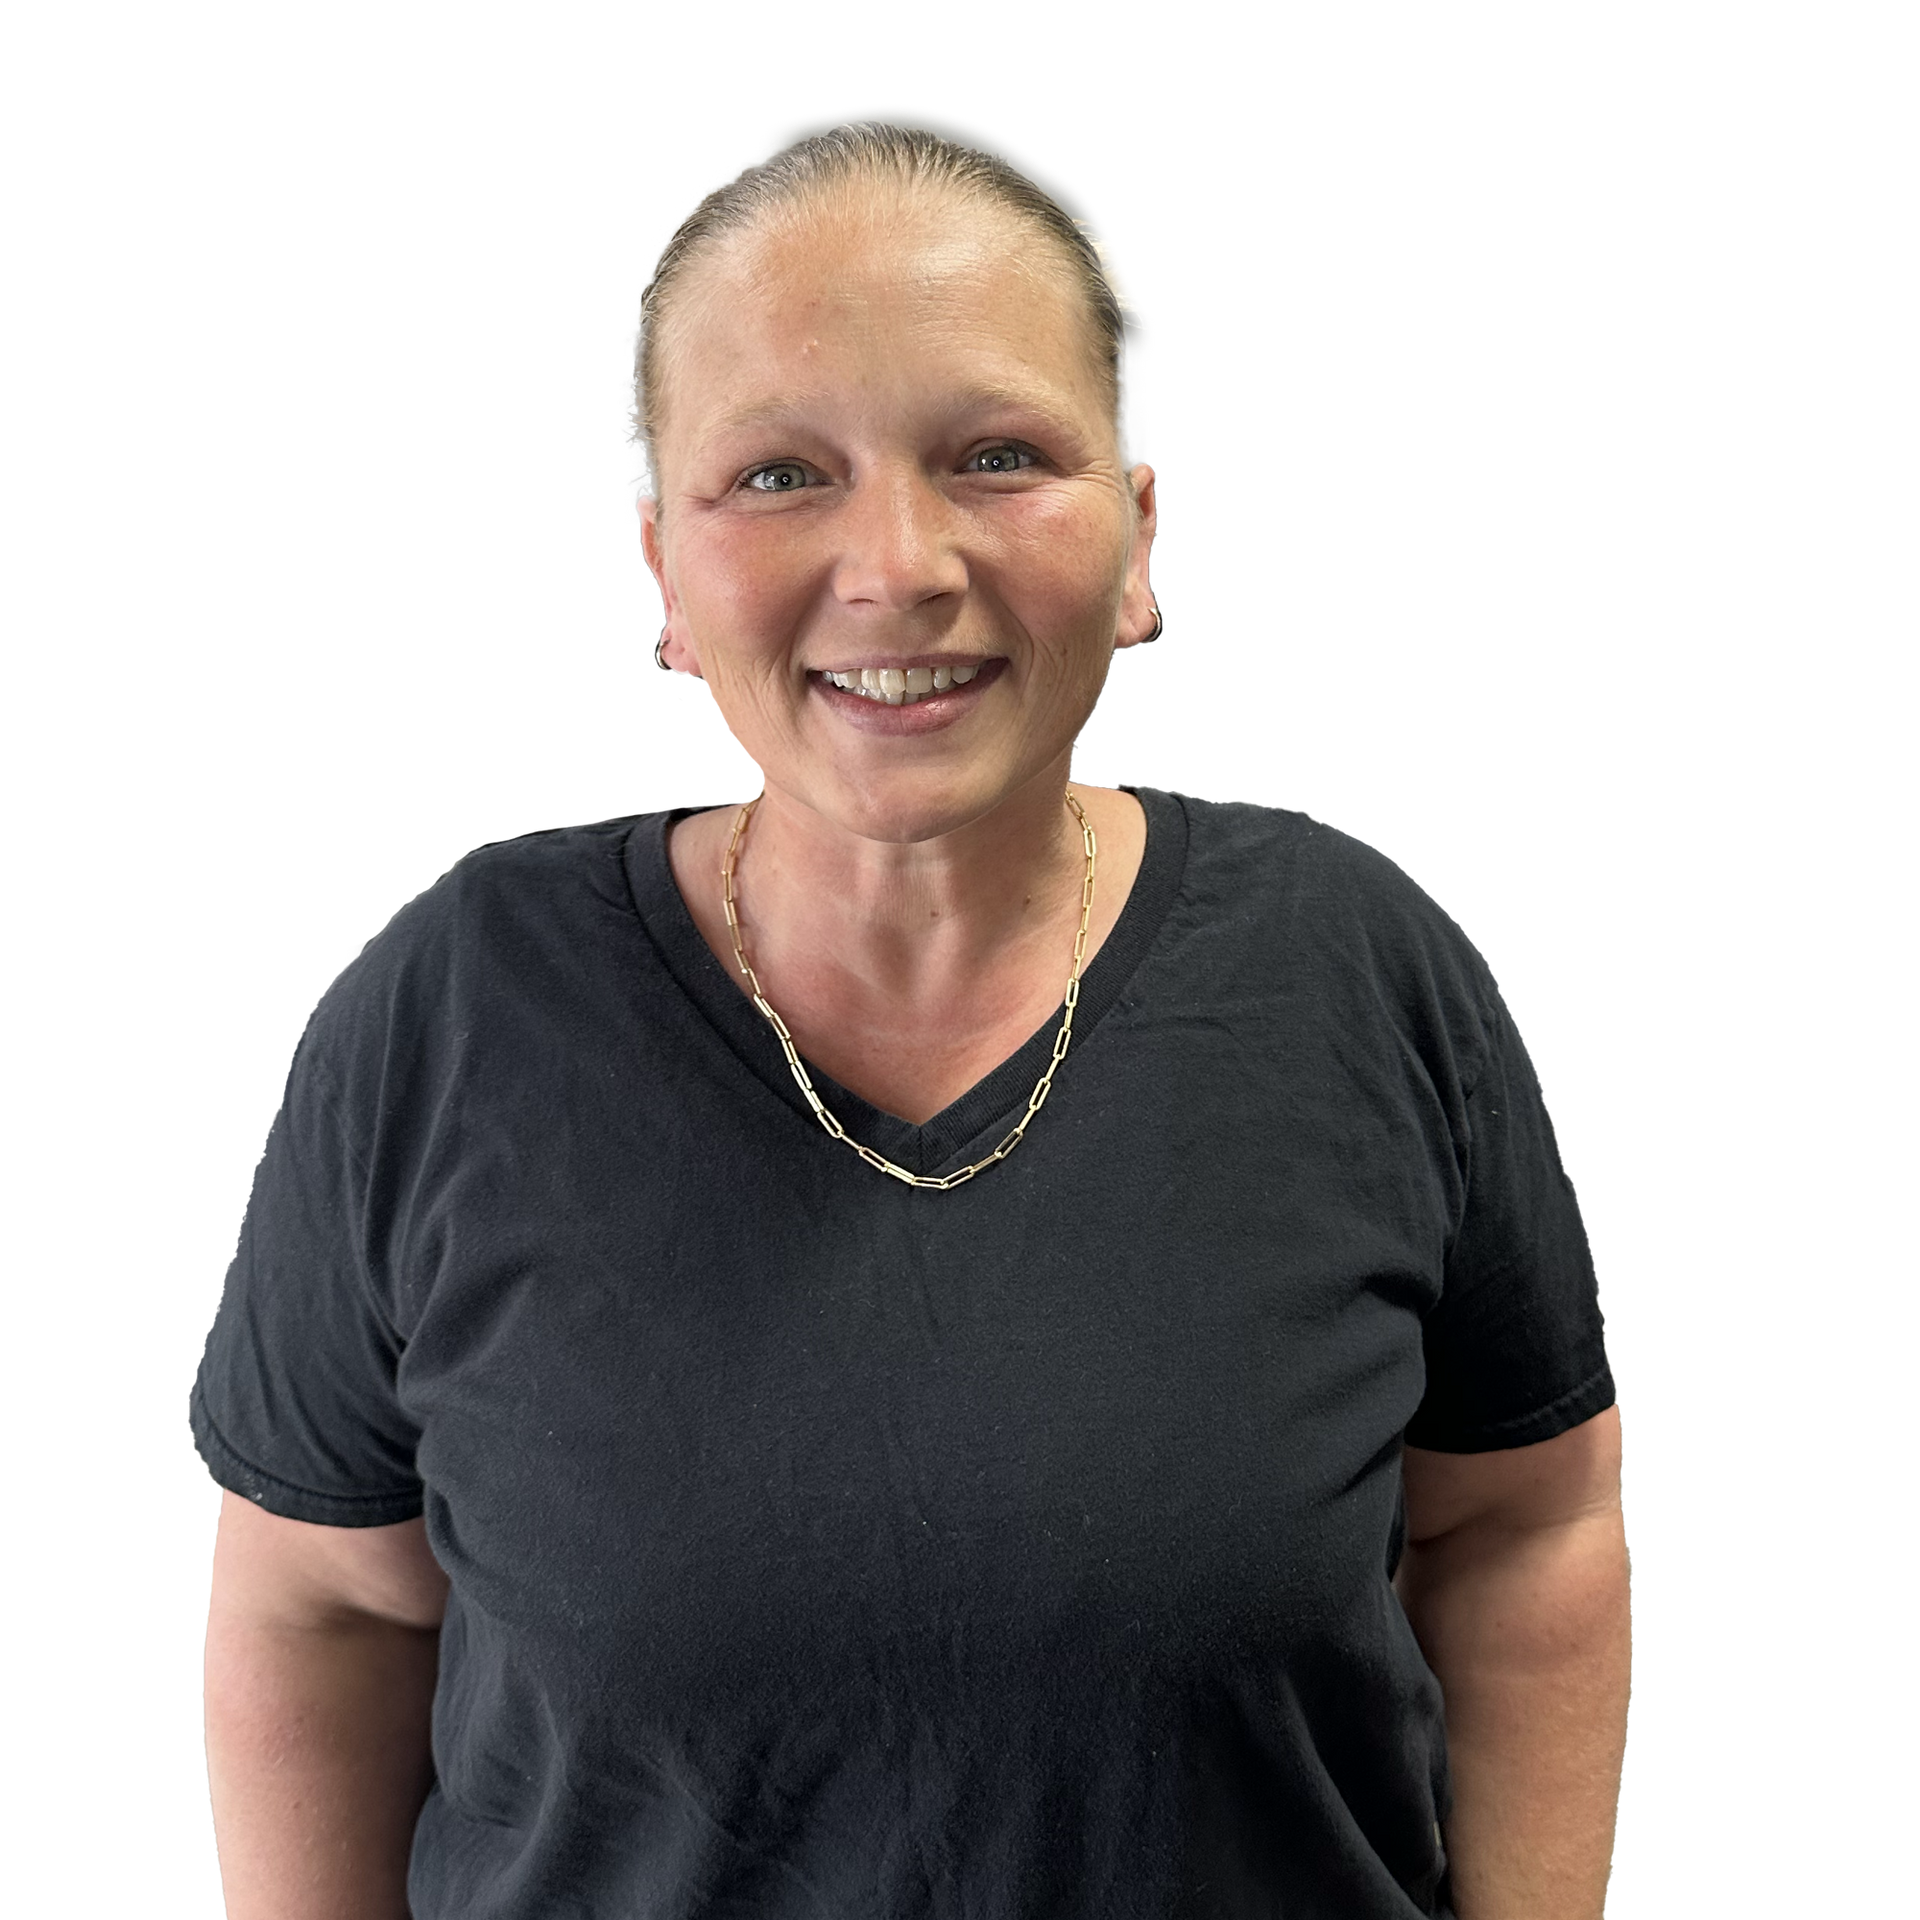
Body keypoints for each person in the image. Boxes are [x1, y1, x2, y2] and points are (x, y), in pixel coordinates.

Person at [195, 110, 1626, 1919]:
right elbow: (323, 1602)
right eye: (780, 475)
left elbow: (1525, 1524)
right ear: (660, 568)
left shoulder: (1364, 968)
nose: (897, 567)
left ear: (1140, 531)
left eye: (1001, 455)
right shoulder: (450, 1008)